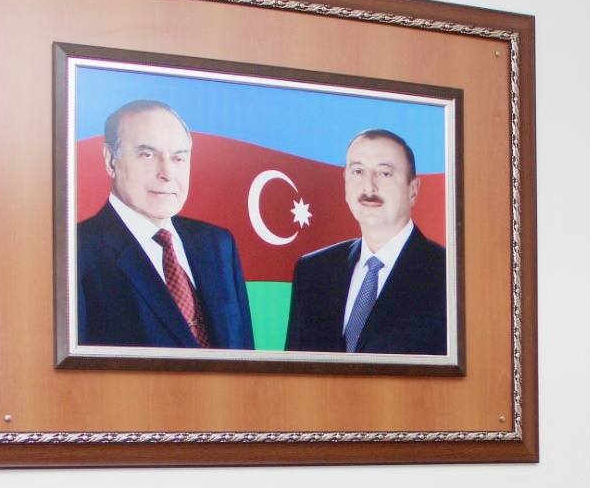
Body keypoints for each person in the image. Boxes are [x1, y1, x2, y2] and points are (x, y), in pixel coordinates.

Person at [77, 99, 254, 350]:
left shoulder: (217, 244)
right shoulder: (76, 251)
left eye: (178, 158)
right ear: (110, 159)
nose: (167, 173)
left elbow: (245, 358)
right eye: (147, 155)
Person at [284, 129, 448, 355]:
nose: (369, 187)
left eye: (385, 173)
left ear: (413, 190)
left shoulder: (447, 273)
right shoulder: (313, 272)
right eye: (358, 171)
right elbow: (294, 371)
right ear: (345, 181)